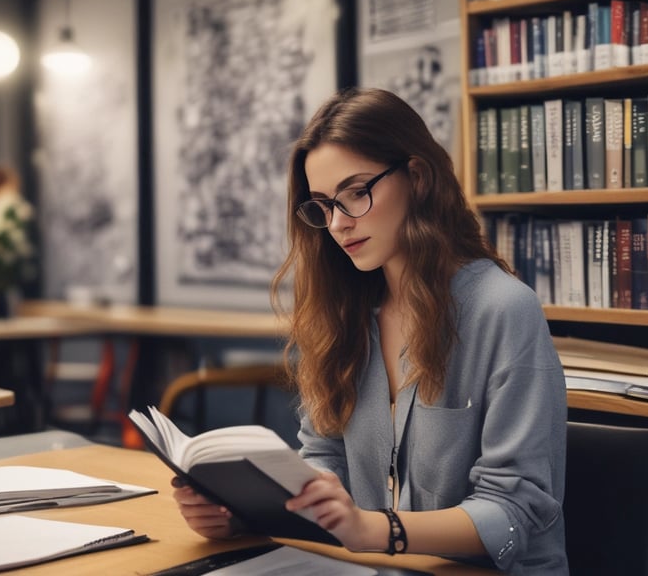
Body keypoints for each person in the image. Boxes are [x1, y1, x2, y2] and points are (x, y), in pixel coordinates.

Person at [172, 87, 568, 574]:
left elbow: (515, 515)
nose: (338, 224)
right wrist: (240, 514)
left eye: (357, 192)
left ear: (417, 178)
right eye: (323, 205)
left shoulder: (504, 309)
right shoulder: (345, 314)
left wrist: (372, 529)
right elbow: (323, 457)